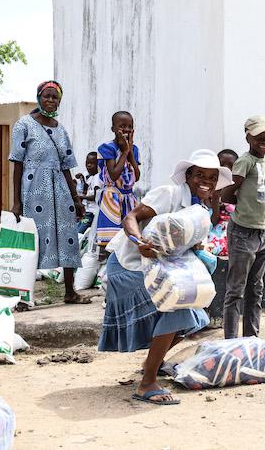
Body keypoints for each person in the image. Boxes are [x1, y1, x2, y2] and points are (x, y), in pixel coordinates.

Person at [99, 149, 233, 405]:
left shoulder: (199, 210)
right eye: (200, 175)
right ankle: (146, 383)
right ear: (188, 176)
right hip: (130, 265)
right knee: (176, 308)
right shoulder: (169, 194)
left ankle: (152, 363)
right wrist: (139, 241)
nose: (205, 181)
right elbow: (131, 217)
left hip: (159, 268)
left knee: (194, 315)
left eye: (212, 177)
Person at [9, 80, 89, 305]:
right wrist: (16, 202)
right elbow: (17, 163)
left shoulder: (61, 130)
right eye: (47, 96)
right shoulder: (23, 125)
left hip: (61, 191)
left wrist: (76, 199)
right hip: (34, 190)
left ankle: (70, 292)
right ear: (38, 97)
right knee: (33, 241)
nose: (51, 100)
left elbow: (67, 167)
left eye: (55, 97)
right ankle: (24, 297)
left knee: (68, 237)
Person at [220, 116, 265, 339]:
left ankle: (252, 340)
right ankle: (231, 343)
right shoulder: (245, 161)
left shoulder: (264, 162)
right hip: (242, 233)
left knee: (256, 290)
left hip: (260, 233)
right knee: (236, 291)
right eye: (260, 135)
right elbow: (227, 193)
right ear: (248, 137)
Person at [96, 111, 141, 251]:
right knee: (110, 239)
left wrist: (130, 152)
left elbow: (137, 176)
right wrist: (125, 152)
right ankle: (105, 262)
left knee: (129, 235)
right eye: (122, 126)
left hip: (129, 197)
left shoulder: (134, 149)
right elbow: (114, 175)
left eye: (130, 126)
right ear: (113, 129)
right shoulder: (107, 148)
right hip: (112, 197)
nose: (126, 130)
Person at [76, 152, 102, 235]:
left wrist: (81, 197)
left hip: (92, 213)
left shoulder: (97, 178)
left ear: (98, 165)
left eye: (92, 163)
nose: (88, 165)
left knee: (79, 232)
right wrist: (83, 180)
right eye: (87, 163)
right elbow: (86, 190)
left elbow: (96, 196)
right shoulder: (91, 177)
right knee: (77, 229)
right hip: (87, 212)